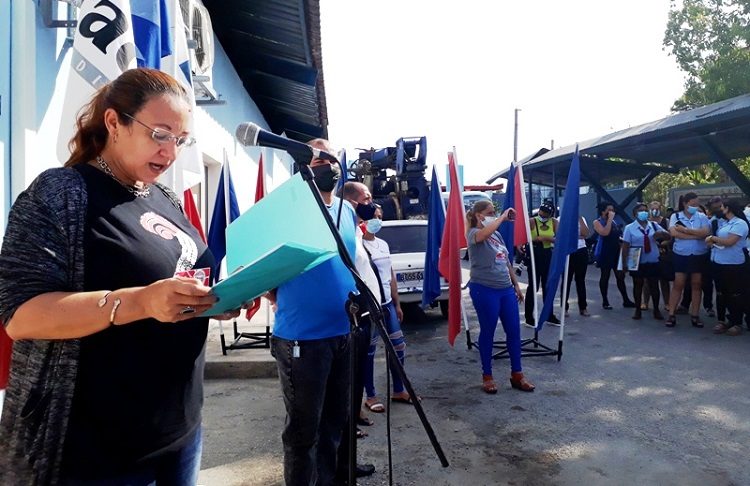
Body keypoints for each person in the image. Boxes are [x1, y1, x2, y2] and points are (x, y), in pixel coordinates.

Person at [0, 68, 241, 485]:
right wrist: (140, 301)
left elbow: (173, 283)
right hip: (99, 448)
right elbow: (21, 316)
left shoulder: (163, 197)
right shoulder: (60, 193)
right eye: (160, 134)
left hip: (179, 431)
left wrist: (213, 300)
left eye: (181, 140)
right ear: (114, 122)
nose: (170, 152)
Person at [268, 140, 359, 485]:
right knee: (303, 433)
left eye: (330, 158)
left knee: (335, 423)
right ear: (303, 166)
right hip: (302, 339)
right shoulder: (286, 210)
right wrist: (277, 294)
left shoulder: (347, 212)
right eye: (317, 159)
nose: (327, 165)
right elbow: (260, 265)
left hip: (343, 333)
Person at [466, 201, 535, 394]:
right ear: (479, 216)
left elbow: (506, 261)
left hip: (505, 289)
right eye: (490, 213)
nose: (493, 215)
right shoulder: (473, 233)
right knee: (488, 331)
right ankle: (487, 376)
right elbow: (482, 235)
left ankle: (517, 374)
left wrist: (516, 285)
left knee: (514, 331)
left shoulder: (496, 235)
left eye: (495, 213)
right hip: (484, 289)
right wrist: (503, 217)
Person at [361, 206, 414, 410]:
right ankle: (370, 395)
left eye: (380, 216)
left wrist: (397, 303)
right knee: (369, 351)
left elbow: (390, 275)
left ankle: (399, 390)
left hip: (387, 304)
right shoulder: (358, 245)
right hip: (370, 306)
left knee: (398, 346)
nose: (378, 220)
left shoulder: (383, 244)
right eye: (374, 217)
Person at [666, 192, 711, 327]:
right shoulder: (675, 216)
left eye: (697, 204)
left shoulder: (702, 217)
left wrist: (684, 230)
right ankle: (671, 314)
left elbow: (705, 233)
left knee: (696, 284)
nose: (695, 207)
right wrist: (696, 235)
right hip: (681, 254)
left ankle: (695, 315)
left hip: (698, 254)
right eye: (693, 204)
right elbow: (674, 233)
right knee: (678, 284)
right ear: (685, 203)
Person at [706, 200, 749, 336]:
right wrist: (712, 242)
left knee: (734, 293)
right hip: (718, 261)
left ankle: (736, 322)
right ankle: (722, 320)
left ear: (728, 208)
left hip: (733, 263)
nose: (720, 209)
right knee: (720, 292)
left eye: (722, 207)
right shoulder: (724, 223)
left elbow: (730, 242)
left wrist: (712, 238)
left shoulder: (740, 223)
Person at [621, 203, 670, 320]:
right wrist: (624, 263)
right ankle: (638, 309)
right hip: (636, 259)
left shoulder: (653, 225)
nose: (644, 213)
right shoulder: (629, 228)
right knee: (638, 285)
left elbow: (669, 236)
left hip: (652, 259)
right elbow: (625, 246)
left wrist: (662, 234)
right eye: (640, 211)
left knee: (654, 285)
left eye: (645, 210)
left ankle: (656, 309)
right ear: (635, 214)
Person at [593, 202, 636, 310]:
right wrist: (609, 220)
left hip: (616, 251)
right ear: (603, 211)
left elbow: (618, 235)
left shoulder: (614, 222)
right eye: (609, 210)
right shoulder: (597, 222)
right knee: (605, 275)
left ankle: (626, 300)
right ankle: (605, 301)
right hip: (605, 251)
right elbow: (605, 232)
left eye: (613, 210)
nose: (612, 212)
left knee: (620, 276)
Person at [524, 201, 561, 326]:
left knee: (548, 286)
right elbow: (524, 237)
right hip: (534, 254)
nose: (543, 214)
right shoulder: (532, 221)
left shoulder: (554, 222)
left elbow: (559, 239)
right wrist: (535, 239)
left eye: (546, 213)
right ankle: (529, 317)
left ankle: (549, 315)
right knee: (533, 286)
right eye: (541, 211)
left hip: (547, 254)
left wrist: (547, 238)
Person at [642, 201, 672, 311]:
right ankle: (645, 302)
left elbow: (670, 236)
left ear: (660, 209)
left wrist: (664, 243)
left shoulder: (666, 221)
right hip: (650, 252)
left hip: (663, 253)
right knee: (647, 280)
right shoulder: (646, 222)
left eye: (657, 208)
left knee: (664, 279)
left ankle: (667, 303)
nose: (655, 211)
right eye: (653, 209)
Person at [564, 215, 591, 317]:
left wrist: (579, 219)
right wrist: (578, 236)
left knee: (580, 280)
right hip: (567, 251)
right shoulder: (561, 218)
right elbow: (562, 235)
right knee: (566, 280)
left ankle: (583, 307)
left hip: (581, 250)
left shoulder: (581, 218)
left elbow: (586, 234)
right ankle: (564, 308)